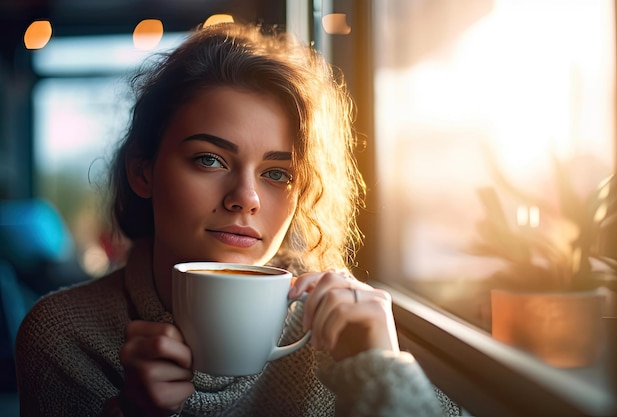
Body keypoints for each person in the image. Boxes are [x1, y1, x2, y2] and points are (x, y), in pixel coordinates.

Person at [15, 22, 456, 417]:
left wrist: (381, 368)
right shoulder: (64, 336)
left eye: (277, 174)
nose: (245, 199)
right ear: (142, 172)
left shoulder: (341, 329)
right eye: (209, 159)